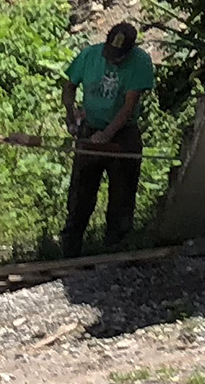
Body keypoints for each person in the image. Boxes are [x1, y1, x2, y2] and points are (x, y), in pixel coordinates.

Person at [60, 22, 154, 255]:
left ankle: (114, 253)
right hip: (90, 127)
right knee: (81, 194)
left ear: (130, 51)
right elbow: (69, 87)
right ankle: (70, 250)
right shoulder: (89, 56)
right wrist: (71, 115)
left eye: (119, 57)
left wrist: (107, 135)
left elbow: (129, 106)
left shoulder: (140, 62)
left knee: (122, 198)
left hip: (124, 134)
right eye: (110, 54)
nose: (113, 60)